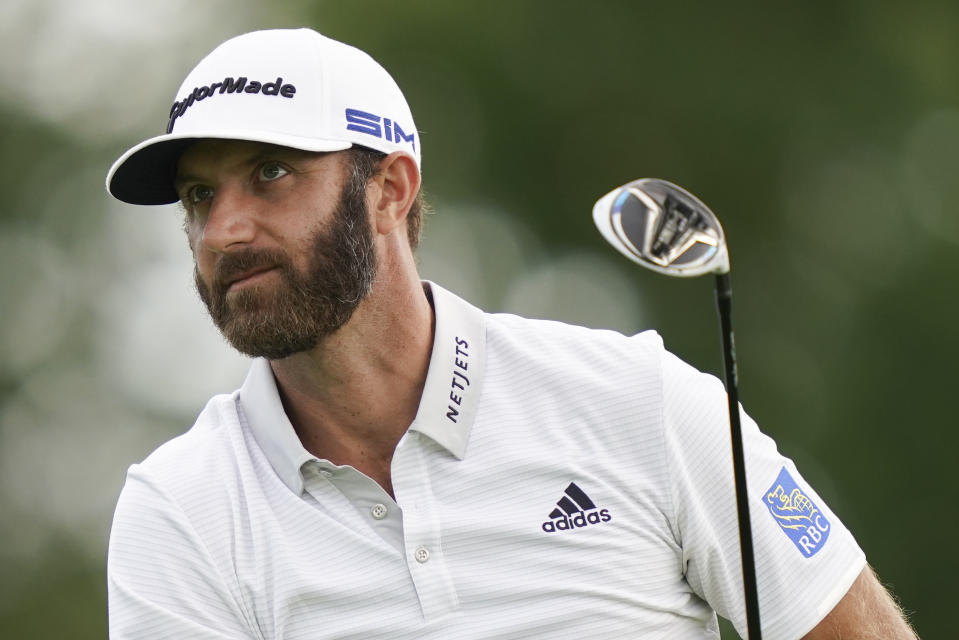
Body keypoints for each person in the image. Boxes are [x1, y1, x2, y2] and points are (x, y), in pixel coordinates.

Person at [105, 28, 917, 639]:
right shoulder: (181, 509)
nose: (223, 231)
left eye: (270, 173)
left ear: (388, 190)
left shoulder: (636, 401)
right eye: (200, 197)